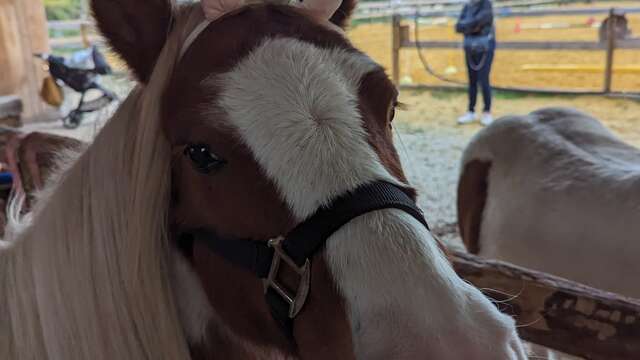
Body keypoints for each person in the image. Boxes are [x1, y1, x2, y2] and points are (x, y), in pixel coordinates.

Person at [455, 0, 496, 126]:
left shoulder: (486, 4)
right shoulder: (467, 6)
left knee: (484, 80)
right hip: (470, 48)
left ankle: (487, 112)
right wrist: (474, 26)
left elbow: (483, 20)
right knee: (472, 80)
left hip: (484, 48)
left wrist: (467, 27)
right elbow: (458, 27)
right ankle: (471, 111)